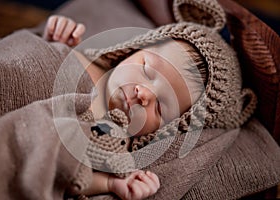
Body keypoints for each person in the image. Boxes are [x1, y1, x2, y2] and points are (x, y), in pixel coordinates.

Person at [42, 14, 207, 199]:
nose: (144, 94)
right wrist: (54, 39)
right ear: (133, 50)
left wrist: (110, 183)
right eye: (146, 70)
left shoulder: (111, 138)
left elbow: (65, 176)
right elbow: (37, 55)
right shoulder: (84, 54)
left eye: (160, 108)